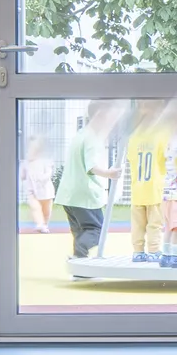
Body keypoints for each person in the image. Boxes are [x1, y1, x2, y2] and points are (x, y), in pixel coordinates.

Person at [54, 108, 116, 258]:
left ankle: (79, 267)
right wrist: (110, 173)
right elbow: (92, 166)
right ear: (101, 115)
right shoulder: (92, 138)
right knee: (97, 230)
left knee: (80, 232)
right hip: (84, 194)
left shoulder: (80, 134)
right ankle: (78, 256)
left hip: (68, 194)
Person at [125, 115, 169, 261]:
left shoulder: (133, 138)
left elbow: (130, 158)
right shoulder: (162, 135)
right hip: (155, 188)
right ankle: (154, 250)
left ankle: (137, 252)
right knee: (155, 223)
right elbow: (167, 156)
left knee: (137, 224)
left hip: (137, 188)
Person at [19, 142, 55, 233]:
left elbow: (49, 173)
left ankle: (45, 224)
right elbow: (22, 176)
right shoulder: (26, 163)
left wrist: (42, 178)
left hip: (46, 191)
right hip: (32, 191)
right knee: (35, 207)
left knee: (46, 210)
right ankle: (40, 224)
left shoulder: (45, 161)